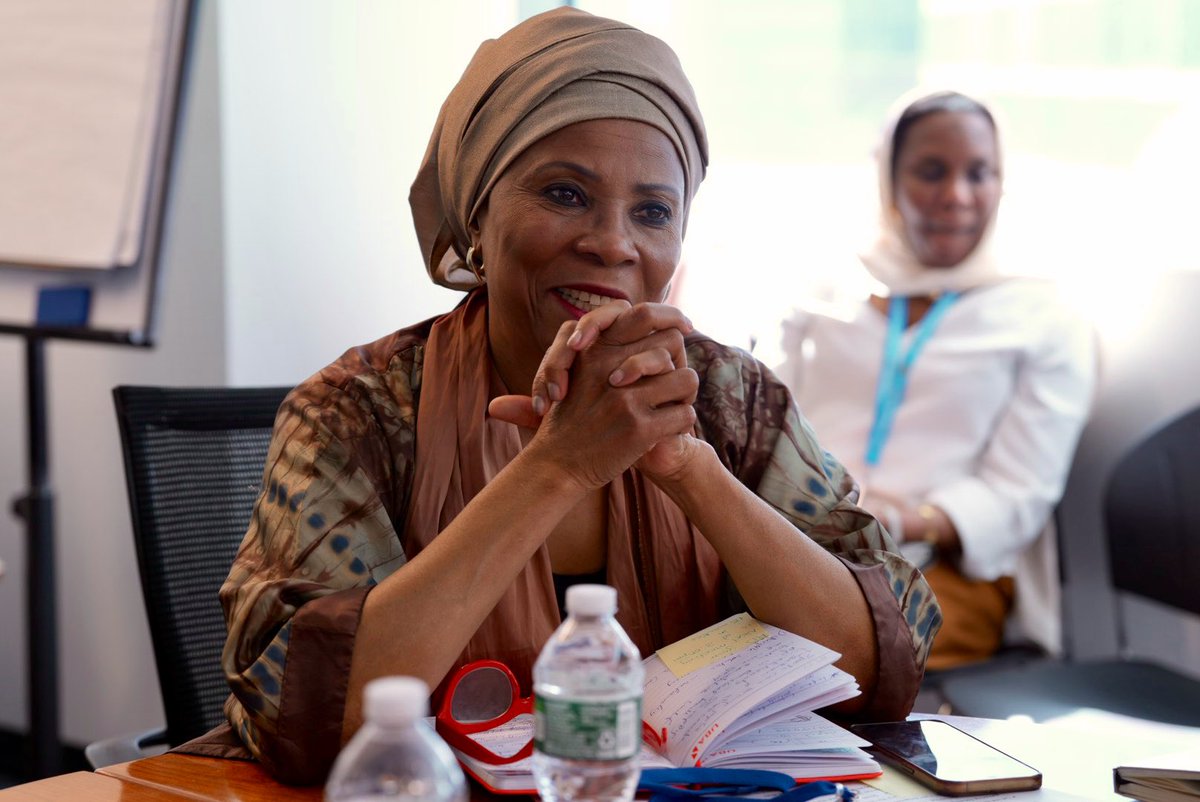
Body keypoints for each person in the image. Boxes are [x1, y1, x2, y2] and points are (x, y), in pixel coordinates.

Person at [218, 9, 940, 784]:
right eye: (565, 194)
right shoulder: (359, 411)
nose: (612, 243)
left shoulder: (732, 399)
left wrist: (689, 468)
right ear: (476, 214)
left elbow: (877, 663)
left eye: (653, 212)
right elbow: (303, 710)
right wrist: (556, 468)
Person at [776, 89, 1095, 672]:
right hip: (798, 546)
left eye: (979, 173)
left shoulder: (1042, 317)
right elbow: (766, 432)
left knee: (826, 663)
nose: (957, 196)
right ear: (889, 180)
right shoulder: (821, 298)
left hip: (941, 569)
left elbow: (1019, 494)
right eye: (930, 172)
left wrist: (900, 522)